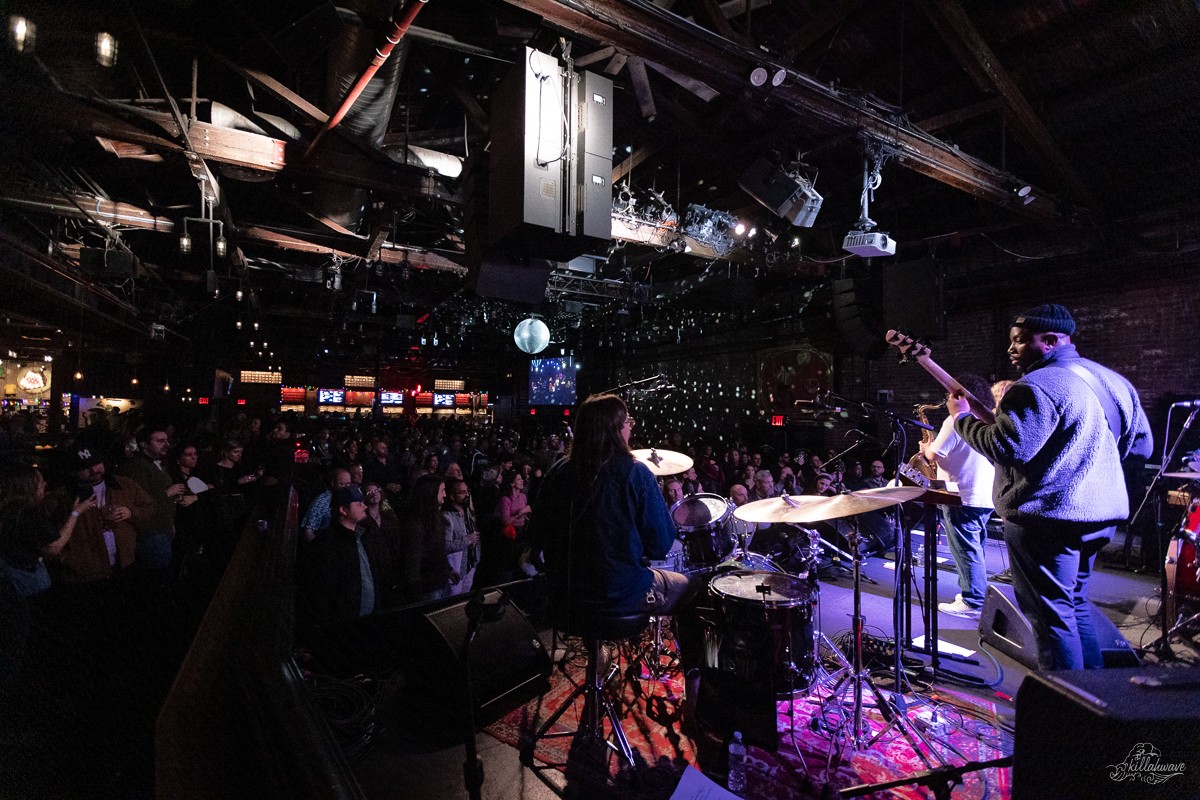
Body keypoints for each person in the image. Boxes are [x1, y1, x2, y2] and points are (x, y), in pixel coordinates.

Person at [954, 304, 1153, 669]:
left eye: (1019, 341)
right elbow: (1142, 447)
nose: (1011, 349)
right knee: (1074, 605)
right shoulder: (1112, 382)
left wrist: (962, 420)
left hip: (1048, 520)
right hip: (1099, 516)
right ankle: (1091, 695)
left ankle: (1064, 700)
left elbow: (1006, 447)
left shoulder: (1034, 386)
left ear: (1048, 341)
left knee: (1051, 618)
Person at [529, 394, 697, 631]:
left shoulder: (558, 471)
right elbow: (660, 545)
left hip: (564, 597)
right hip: (621, 594)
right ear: (616, 429)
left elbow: (535, 537)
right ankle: (690, 659)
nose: (631, 428)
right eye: (628, 422)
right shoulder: (636, 473)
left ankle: (597, 650)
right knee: (695, 589)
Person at [919, 374, 997, 619]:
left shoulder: (955, 420)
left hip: (961, 495)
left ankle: (972, 601)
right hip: (986, 495)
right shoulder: (988, 417)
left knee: (965, 550)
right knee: (975, 548)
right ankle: (978, 595)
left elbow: (934, 455)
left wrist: (926, 448)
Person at [443, 478, 480, 595]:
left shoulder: (467, 513)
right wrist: (467, 540)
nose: (466, 495)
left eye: (467, 491)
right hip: (456, 569)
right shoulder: (447, 517)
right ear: (452, 496)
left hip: (470, 564)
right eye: (462, 492)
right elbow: (444, 546)